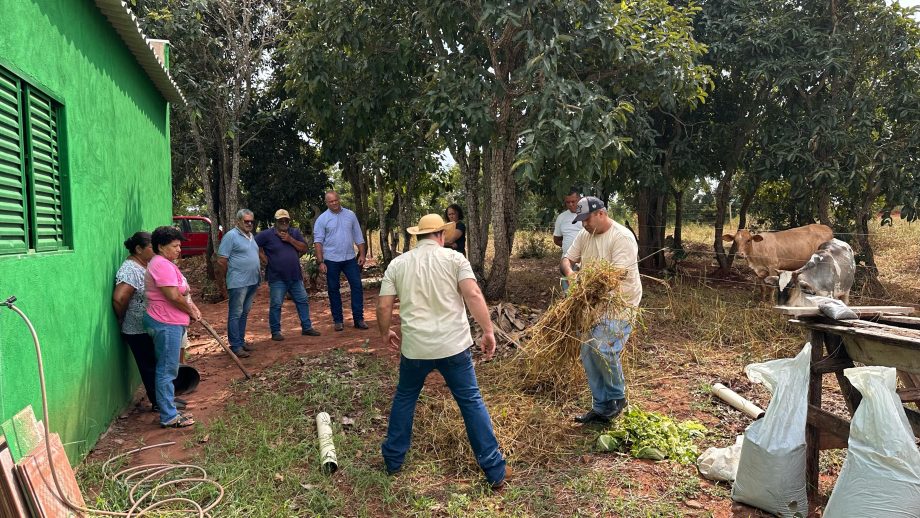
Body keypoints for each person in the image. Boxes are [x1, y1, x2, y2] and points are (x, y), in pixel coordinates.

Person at [376, 214, 508, 490]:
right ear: (440, 235)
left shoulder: (398, 264)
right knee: (470, 401)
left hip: (415, 348)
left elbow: (384, 306)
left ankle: (393, 461)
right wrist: (487, 331)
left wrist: (385, 331)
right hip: (454, 346)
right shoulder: (455, 259)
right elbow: (472, 294)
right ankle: (494, 469)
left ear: (417, 237)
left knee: (405, 397)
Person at [561, 196, 642, 425]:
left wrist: (585, 288)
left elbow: (615, 277)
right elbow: (567, 259)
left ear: (601, 214)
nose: (583, 224)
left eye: (586, 218)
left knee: (603, 347)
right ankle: (600, 407)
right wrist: (571, 274)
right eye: (581, 220)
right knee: (587, 352)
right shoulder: (586, 234)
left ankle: (617, 397)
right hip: (593, 303)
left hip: (620, 303)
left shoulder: (622, 237)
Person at [144, 226, 201, 428]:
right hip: (165, 323)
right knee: (167, 370)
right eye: (175, 246)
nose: (179, 249)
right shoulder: (161, 265)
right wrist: (190, 311)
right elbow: (173, 296)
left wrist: (191, 307)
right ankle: (168, 416)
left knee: (168, 368)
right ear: (161, 246)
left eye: (179, 245)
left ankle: (169, 409)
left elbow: (181, 293)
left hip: (170, 321)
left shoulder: (166, 263)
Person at [255, 209, 321, 341]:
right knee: (276, 304)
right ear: (276, 221)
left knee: (302, 301)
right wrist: (262, 257)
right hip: (276, 277)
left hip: (295, 276)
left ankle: (307, 327)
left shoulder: (294, 232)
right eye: (281, 220)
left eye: (286, 220)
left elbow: (304, 248)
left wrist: (290, 240)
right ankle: (275, 331)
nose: (284, 222)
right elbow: (253, 244)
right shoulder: (267, 234)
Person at [314, 191, 368, 331]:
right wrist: (321, 262)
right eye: (331, 201)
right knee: (333, 289)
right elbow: (318, 242)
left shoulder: (350, 215)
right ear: (327, 203)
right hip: (331, 260)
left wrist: (362, 254)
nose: (334, 203)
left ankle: (359, 319)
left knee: (357, 286)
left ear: (339, 199)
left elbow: (358, 235)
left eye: (336, 200)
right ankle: (338, 321)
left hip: (350, 258)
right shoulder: (322, 219)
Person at [216, 209, 261, 357]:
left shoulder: (250, 236)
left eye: (251, 221)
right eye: (246, 221)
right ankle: (235, 346)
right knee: (235, 313)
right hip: (238, 282)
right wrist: (233, 274)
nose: (249, 224)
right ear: (238, 222)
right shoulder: (231, 236)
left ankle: (240, 342)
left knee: (244, 313)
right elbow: (222, 260)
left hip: (252, 281)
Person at [553, 188, 583, 257]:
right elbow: (556, 240)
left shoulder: (589, 215)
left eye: (573, 201)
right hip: (567, 259)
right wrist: (569, 247)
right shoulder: (561, 217)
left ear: (579, 199)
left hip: (586, 260)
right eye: (568, 202)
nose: (570, 204)